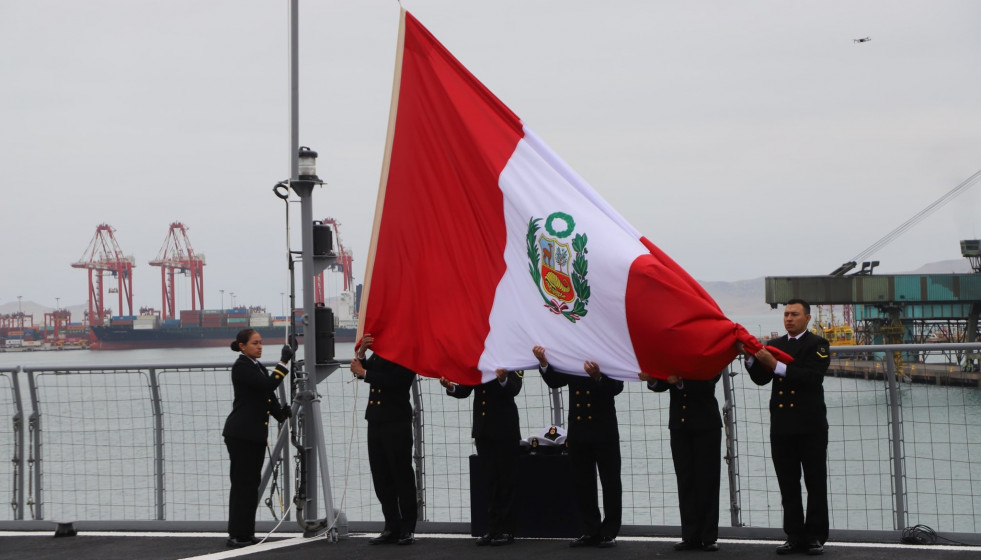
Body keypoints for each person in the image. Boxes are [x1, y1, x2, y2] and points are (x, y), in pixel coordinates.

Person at [743, 299, 831, 556]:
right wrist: (751, 359)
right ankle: (794, 535)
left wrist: (776, 365)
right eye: (786, 314)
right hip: (782, 426)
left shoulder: (818, 345)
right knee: (788, 483)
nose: (789, 318)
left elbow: (811, 379)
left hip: (810, 425)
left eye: (794, 314)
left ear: (807, 318)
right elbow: (762, 379)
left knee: (815, 483)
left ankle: (815, 535)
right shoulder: (775, 345)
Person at [534, 345, 623, 548]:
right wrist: (544, 363)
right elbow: (556, 381)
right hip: (579, 429)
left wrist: (598, 377)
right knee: (582, 482)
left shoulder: (609, 350)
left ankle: (609, 531)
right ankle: (590, 530)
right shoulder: (571, 353)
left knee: (610, 482)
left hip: (604, 429)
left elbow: (617, 387)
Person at [221, 328, 293, 548]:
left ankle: (246, 532)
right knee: (242, 485)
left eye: (261, 343)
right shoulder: (242, 367)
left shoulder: (256, 366)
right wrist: (283, 362)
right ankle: (236, 534)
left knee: (251, 484)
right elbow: (267, 385)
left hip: (253, 435)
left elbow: (266, 397)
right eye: (255, 343)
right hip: (241, 435)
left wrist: (281, 413)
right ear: (242, 347)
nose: (260, 346)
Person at [440, 368, 523, 546]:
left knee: (506, 481)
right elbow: (465, 389)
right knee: (490, 481)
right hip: (483, 429)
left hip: (505, 430)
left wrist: (503, 380)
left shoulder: (511, 360)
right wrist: (451, 387)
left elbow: (515, 388)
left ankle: (507, 530)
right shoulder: (479, 361)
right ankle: (493, 529)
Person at [641, 371, 722, 552]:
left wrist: (680, 383)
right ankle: (690, 535)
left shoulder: (709, 354)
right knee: (685, 480)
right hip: (680, 425)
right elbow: (662, 384)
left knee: (707, 481)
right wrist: (653, 379)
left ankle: (708, 536)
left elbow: (709, 380)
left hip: (706, 424)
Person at [350, 333, 418, 545]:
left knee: (401, 475)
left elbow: (397, 382)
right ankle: (391, 525)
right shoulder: (381, 353)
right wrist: (361, 353)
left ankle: (407, 528)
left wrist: (365, 372)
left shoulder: (407, 353)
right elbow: (362, 371)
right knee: (381, 476)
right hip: (376, 420)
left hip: (396, 421)